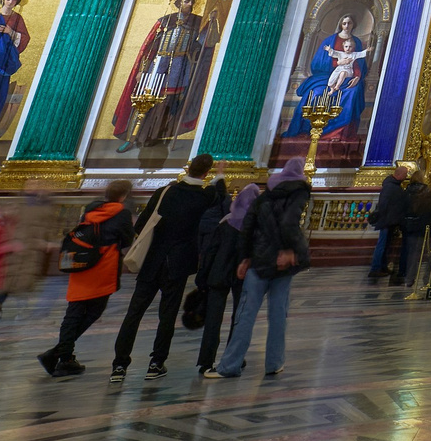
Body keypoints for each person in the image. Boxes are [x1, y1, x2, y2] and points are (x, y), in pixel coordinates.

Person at [111, 153, 222, 378]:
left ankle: (119, 366)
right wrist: (219, 176)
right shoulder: (204, 196)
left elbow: (142, 224)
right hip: (178, 264)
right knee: (167, 315)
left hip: (153, 260)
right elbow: (220, 196)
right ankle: (156, 363)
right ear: (206, 173)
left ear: (188, 168)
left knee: (134, 313)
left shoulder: (165, 191)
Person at [212, 159, 310, 379]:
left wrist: (245, 258)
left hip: (258, 259)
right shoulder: (299, 192)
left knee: (245, 313)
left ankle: (230, 365)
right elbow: (289, 223)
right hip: (282, 264)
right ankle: (274, 363)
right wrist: (289, 250)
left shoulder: (265, 194)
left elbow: (248, 226)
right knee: (278, 314)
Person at [39, 180, 133, 377]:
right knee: (94, 312)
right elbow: (126, 239)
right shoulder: (122, 212)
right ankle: (59, 355)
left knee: (73, 312)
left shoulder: (91, 209)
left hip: (81, 264)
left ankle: (64, 357)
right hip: (103, 266)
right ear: (124, 195)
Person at [193, 183, 255, 376]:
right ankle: (233, 356)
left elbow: (209, 252)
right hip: (242, 277)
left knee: (213, 318)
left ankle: (206, 360)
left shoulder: (225, 222)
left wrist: (202, 276)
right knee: (239, 317)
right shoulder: (254, 226)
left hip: (218, 274)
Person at [0, 180, 68, 310]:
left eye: (36, 185)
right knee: (10, 277)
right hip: (17, 243)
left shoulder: (45, 205)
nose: (33, 187)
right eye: (30, 185)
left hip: (34, 244)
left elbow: (50, 225)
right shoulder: (18, 203)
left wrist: (49, 240)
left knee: (26, 277)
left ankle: (21, 305)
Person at [367, 162, 413, 281]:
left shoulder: (394, 185)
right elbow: (384, 204)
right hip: (386, 220)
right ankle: (375, 268)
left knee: (386, 245)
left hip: (390, 220)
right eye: (405, 174)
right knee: (382, 244)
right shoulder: (390, 186)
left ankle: (382, 266)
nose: (406, 177)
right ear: (399, 174)